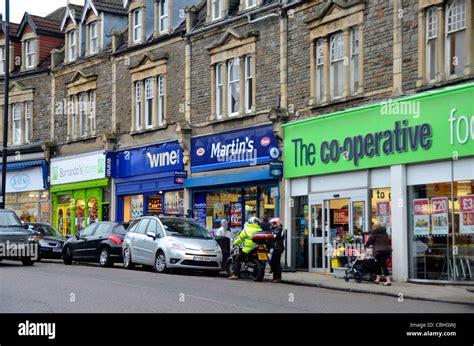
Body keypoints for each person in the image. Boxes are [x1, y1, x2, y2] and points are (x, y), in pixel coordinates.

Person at [269, 217, 285, 283]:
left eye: (274, 223)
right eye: (272, 223)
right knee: (273, 262)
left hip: (278, 247)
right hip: (275, 247)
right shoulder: (274, 229)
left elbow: (276, 237)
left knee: (276, 262)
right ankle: (275, 277)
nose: (272, 224)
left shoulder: (279, 229)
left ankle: (278, 277)